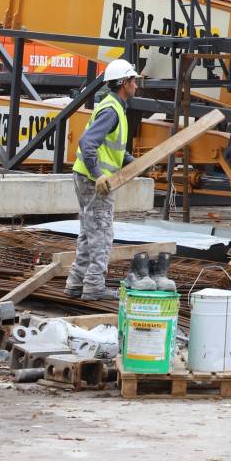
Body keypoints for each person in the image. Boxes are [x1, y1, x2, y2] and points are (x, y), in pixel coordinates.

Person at [64, 58, 139, 301]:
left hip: (84, 176)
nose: (136, 85)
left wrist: (133, 162)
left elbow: (112, 148)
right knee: (102, 233)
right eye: (133, 80)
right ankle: (94, 286)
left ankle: (76, 283)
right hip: (94, 180)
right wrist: (98, 175)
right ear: (124, 83)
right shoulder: (112, 110)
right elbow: (87, 143)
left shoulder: (114, 106)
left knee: (89, 231)